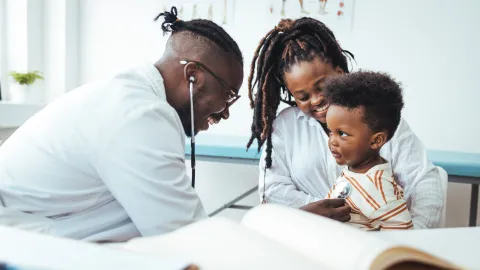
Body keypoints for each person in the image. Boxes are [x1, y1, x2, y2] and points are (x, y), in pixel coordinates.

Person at [0, 7, 243, 242]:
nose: (226, 113)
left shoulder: (129, 97)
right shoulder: (141, 115)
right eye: (229, 94)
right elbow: (184, 236)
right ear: (193, 76)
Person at [247, 17, 443, 229]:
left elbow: (423, 182)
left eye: (322, 86)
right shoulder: (285, 127)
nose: (316, 99)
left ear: (339, 73)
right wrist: (321, 211)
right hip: (312, 238)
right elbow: (272, 190)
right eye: (302, 97)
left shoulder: (377, 119)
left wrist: (416, 237)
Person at [323, 71, 413, 230]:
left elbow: (403, 236)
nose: (332, 141)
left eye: (342, 134)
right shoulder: (356, 170)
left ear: (376, 140)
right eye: (330, 132)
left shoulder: (376, 188)